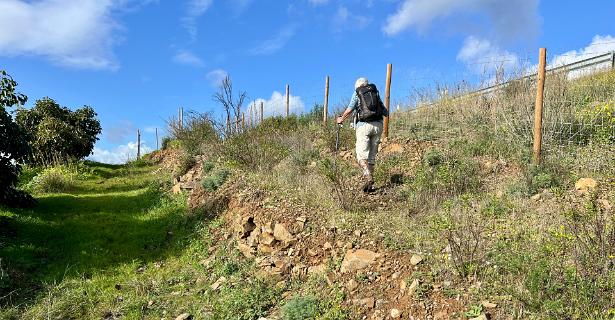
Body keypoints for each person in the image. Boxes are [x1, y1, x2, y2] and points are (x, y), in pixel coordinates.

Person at [337, 77, 388, 192]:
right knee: (372, 156)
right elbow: (385, 111)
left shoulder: (357, 93)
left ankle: (367, 176)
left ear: (357, 86)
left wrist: (341, 119)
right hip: (378, 125)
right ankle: (370, 186)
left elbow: (350, 109)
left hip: (364, 126)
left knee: (361, 155)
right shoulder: (375, 92)